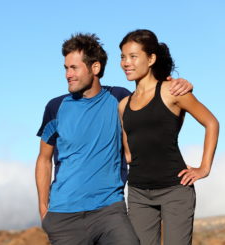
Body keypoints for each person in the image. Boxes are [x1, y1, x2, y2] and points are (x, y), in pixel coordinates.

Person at [35, 33, 192, 245]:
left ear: (95, 68)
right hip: (63, 217)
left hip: (110, 212)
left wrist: (173, 84)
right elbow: (43, 159)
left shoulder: (119, 99)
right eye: (66, 68)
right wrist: (44, 209)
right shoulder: (55, 107)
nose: (67, 75)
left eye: (74, 68)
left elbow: (154, 107)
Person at [118, 29, 219, 245]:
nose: (126, 62)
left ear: (151, 58)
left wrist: (204, 168)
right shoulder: (123, 105)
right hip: (138, 194)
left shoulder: (172, 91)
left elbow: (211, 123)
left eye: (133, 56)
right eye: (123, 57)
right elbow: (129, 154)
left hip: (175, 189)